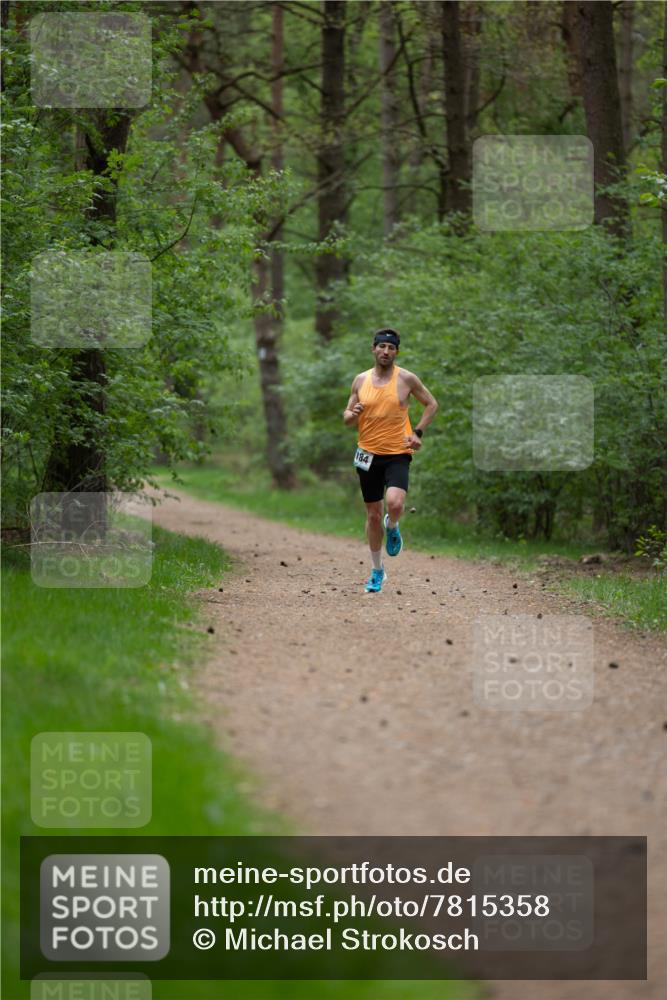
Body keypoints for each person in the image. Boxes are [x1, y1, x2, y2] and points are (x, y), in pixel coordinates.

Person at [343, 328, 439, 593]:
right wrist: (354, 412)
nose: (386, 351)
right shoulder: (360, 380)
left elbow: (431, 404)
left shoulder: (406, 378)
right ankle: (377, 571)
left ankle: (393, 524)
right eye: (381, 346)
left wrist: (417, 432)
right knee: (372, 515)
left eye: (391, 348)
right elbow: (347, 418)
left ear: (396, 352)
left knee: (395, 504)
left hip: (398, 452)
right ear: (373, 349)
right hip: (367, 455)